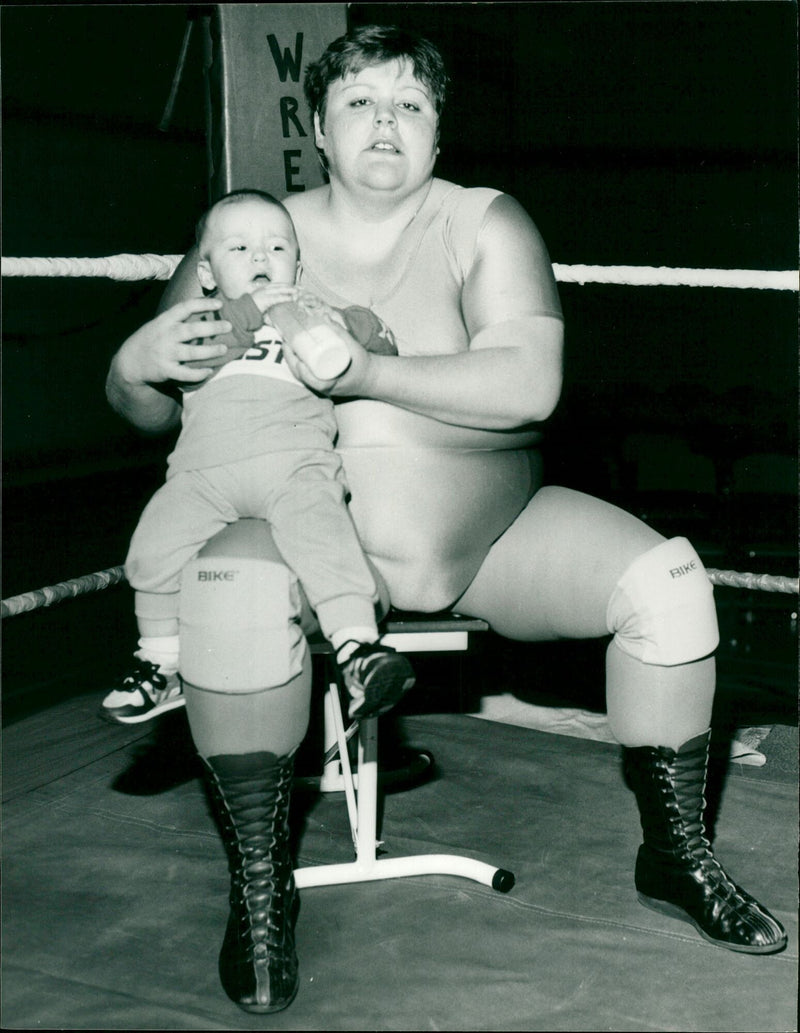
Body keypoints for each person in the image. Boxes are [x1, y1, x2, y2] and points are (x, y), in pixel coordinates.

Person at [104, 24, 787, 1014]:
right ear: (318, 126)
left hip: (487, 538)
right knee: (230, 588)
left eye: (409, 105)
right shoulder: (248, 230)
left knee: (666, 584)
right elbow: (156, 413)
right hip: (311, 535)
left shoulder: (485, 222)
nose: (384, 121)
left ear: (436, 132)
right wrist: (129, 365)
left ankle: (673, 858)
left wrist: (365, 368)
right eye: (360, 103)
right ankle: (258, 892)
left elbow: (530, 383)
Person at [101, 188, 414, 729]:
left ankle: (358, 650)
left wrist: (357, 328)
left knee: (323, 535)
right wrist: (257, 309)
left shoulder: (317, 316)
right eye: (239, 249)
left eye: (276, 247)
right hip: (203, 476)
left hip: (294, 466)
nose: (261, 259)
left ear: (297, 262)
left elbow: (381, 347)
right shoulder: (202, 321)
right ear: (206, 271)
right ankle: (160, 660)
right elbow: (204, 345)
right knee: (153, 546)